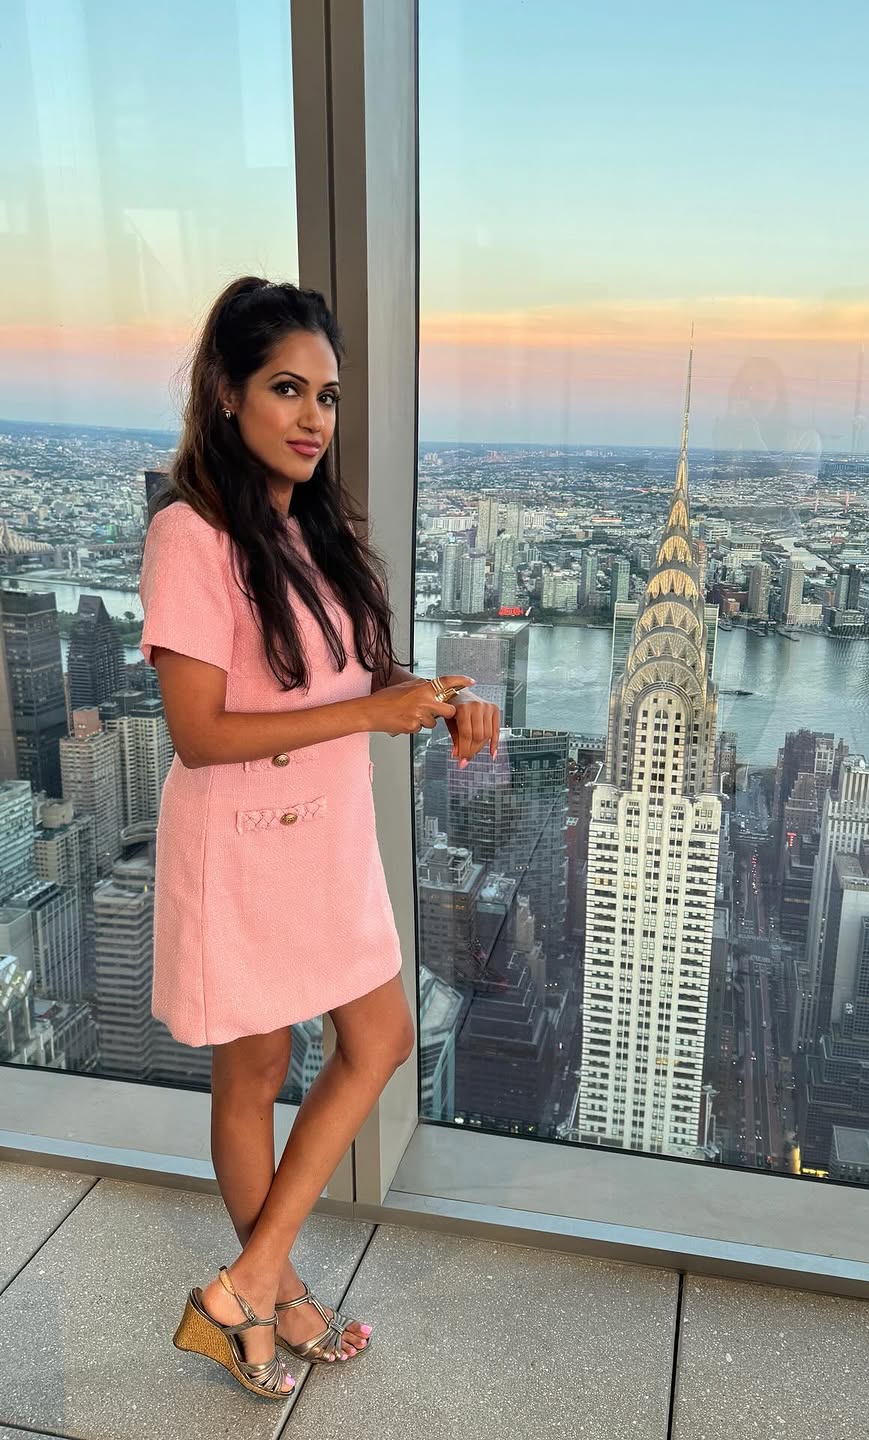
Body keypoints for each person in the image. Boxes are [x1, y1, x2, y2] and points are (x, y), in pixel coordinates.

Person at [140, 276, 501, 1400]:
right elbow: (199, 732)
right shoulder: (188, 534)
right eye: (287, 389)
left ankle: (244, 1284)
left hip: (328, 838)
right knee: (252, 1069)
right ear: (227, 392)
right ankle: (277, 1297)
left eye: (328, 397)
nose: (312, 418)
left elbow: (353, 679)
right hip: (242, 843)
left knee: (378, 1038)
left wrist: (435, 698)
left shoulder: (316, 531)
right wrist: (370, 715)